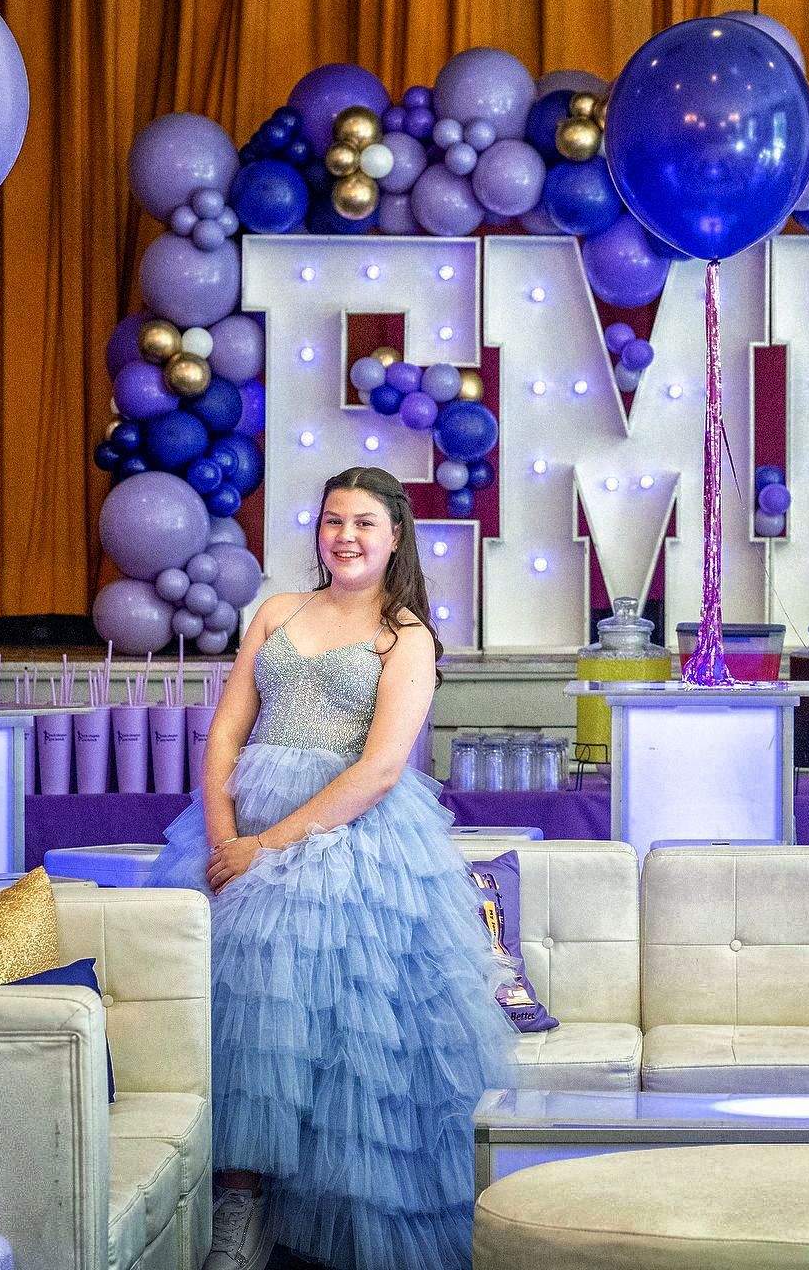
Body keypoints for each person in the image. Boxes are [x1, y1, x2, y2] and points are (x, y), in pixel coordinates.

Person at [147, 466, 516, 1270]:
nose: (344, 536)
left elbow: (382, 768)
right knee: (213, 992)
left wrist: (264, 847)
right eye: (332, 521)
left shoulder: (405, 635)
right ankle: (234, 1195)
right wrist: (222, 834)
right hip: (237, 826)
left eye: (363, 524)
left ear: (394, 537)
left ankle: (280, 1207)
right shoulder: (277, 610)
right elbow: (224, 735)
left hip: (343, 834)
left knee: (301, 997)